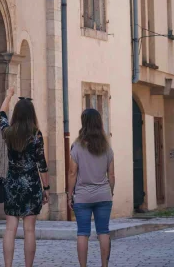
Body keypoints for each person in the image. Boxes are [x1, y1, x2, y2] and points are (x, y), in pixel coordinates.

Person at [0, 86, 49, 267]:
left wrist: (8, 95)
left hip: (12, 184)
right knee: (29, 230)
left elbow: (2, 114)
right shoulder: (36, 135)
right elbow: (41, 164)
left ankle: (8, 266)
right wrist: (47, 188)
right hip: (32, 185)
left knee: (10, 229)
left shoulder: (9, 132)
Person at [67, 108, 116, 267]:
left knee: (82, 233)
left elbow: (72, 173)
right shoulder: (107, 148)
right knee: (103, 231)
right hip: (103, 195)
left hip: (82, 196)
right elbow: (112, 175)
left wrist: (69, 195)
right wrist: (110, 191)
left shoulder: (76, 146)